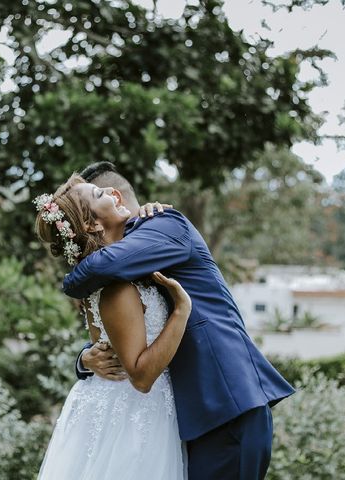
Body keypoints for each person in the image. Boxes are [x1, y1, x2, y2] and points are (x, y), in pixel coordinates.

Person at [66, 161, 296, 480]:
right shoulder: (127, 262)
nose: (108, 195)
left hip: (225, 404)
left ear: (117, 193)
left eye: (102, 191)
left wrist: (69, 277)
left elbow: (99, 269)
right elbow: (131, 330)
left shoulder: (163, 224)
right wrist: (84, 358)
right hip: (180, 419)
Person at [34, 173, 191, 479]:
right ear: (91, 224)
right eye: (99, 193)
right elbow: (141, 377)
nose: (113, 192)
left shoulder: (113, 275)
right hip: (131, 413)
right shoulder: (116, 288)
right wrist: (181, 312)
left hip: (134, 407)